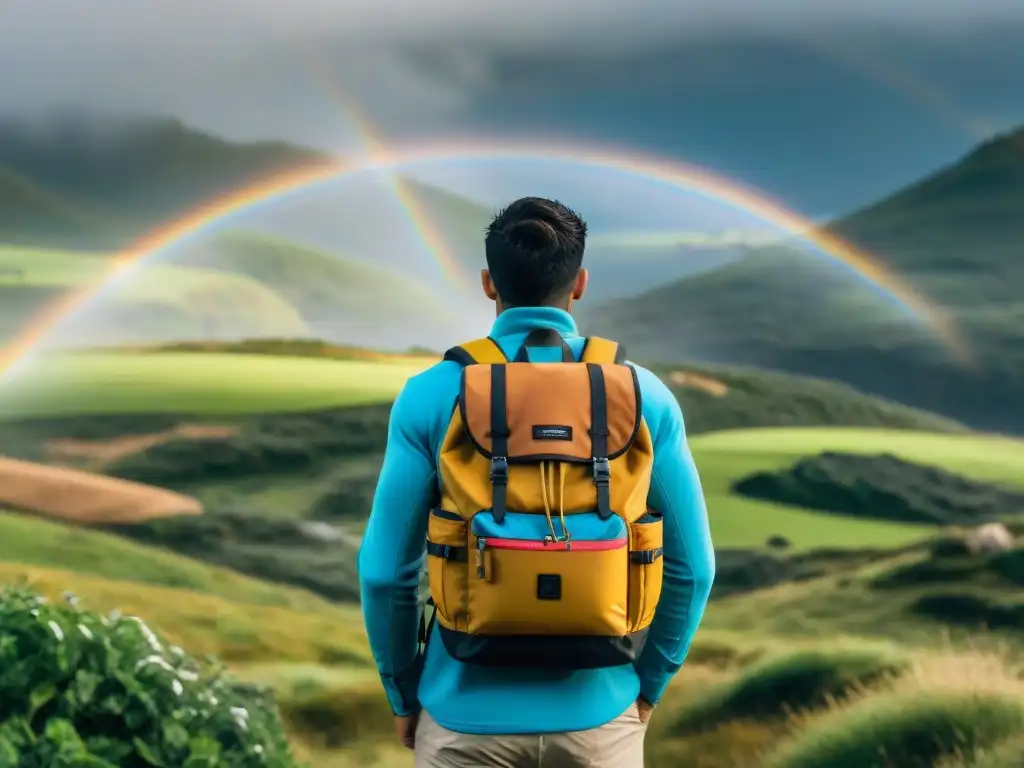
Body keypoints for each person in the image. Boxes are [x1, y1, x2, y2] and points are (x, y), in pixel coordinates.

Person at [358, 196, 715, 767]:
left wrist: (403, 693)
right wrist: (647, 688)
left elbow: (384, 574)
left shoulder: (430, 393)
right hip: (601, 719)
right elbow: (694, 569)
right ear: (579, 284)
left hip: (461, 721)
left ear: (486, 283)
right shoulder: (644, 395)